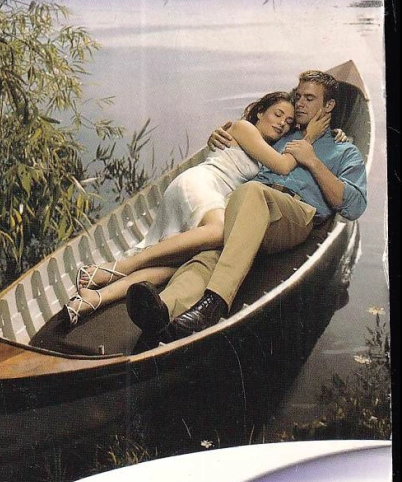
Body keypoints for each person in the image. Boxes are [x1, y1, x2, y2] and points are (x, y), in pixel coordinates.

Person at [125, 70, 368, 342]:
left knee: (252, 193)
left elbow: (354, 205)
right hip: (249, 206)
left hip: (293, 214)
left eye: (309, 99)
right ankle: (164, 310)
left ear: (329, 105)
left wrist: (312, 160)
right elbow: (246, 136)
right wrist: (219, 135)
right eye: (298, 96)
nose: (299, 103)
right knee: (211, 253)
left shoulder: (343, 149)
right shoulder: (281, 138)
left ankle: (215, 301)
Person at [62, 90, 330, 327]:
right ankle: (119, 266)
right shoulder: (243, 128)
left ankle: (95, 297)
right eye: (277, 114)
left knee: (175, 266)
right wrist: (309, 137)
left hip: (212, 200)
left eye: (288, 122)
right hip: (200, 184)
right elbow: (283, 166)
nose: (282, 123)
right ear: (260, 112)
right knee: (221, 232)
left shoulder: (267, 150)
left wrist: (329, 135)